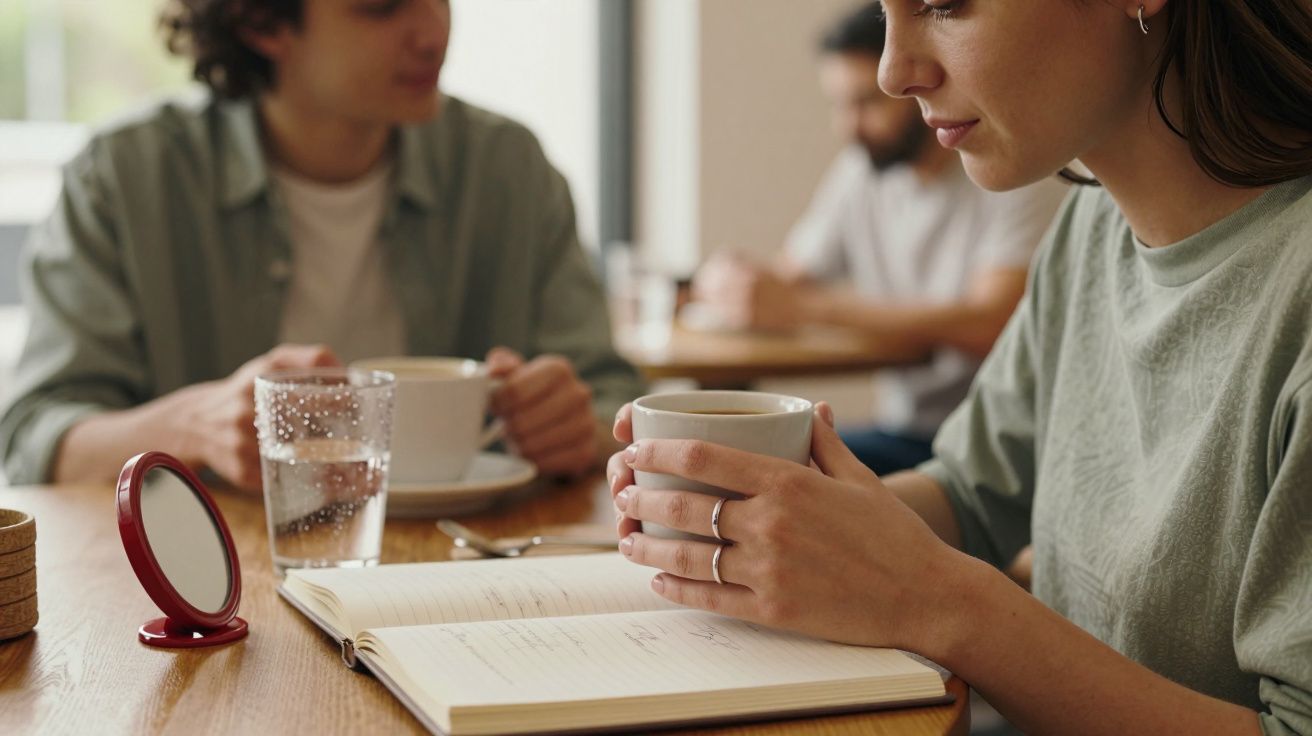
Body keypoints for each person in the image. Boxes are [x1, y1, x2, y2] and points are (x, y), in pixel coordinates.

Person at [608, 1, 1312, 733]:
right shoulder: (1093, 228)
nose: (893, 73)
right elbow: (970, 495)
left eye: (944, 5)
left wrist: (939, 602)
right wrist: (769, 527)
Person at [0, 0, 644, 489]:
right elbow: (33, 440)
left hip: (471, 575)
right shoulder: (126, 177)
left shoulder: (507, 169)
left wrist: (577, 428)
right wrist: (194, 426)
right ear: (262, 24)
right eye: (382, 5)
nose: (434, 32)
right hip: (215, 590)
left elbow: (615, 404)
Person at [692, 3, 1067, 475]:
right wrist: (730, 279)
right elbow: (786, 279)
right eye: (839, 105)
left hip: (992, 448)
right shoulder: (863, 173)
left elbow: (991, 321)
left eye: (866, 102)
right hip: (903, 428)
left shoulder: (1008, 169)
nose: (847, 126)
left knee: (772, 471)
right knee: (742, 462)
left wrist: (806, 307)